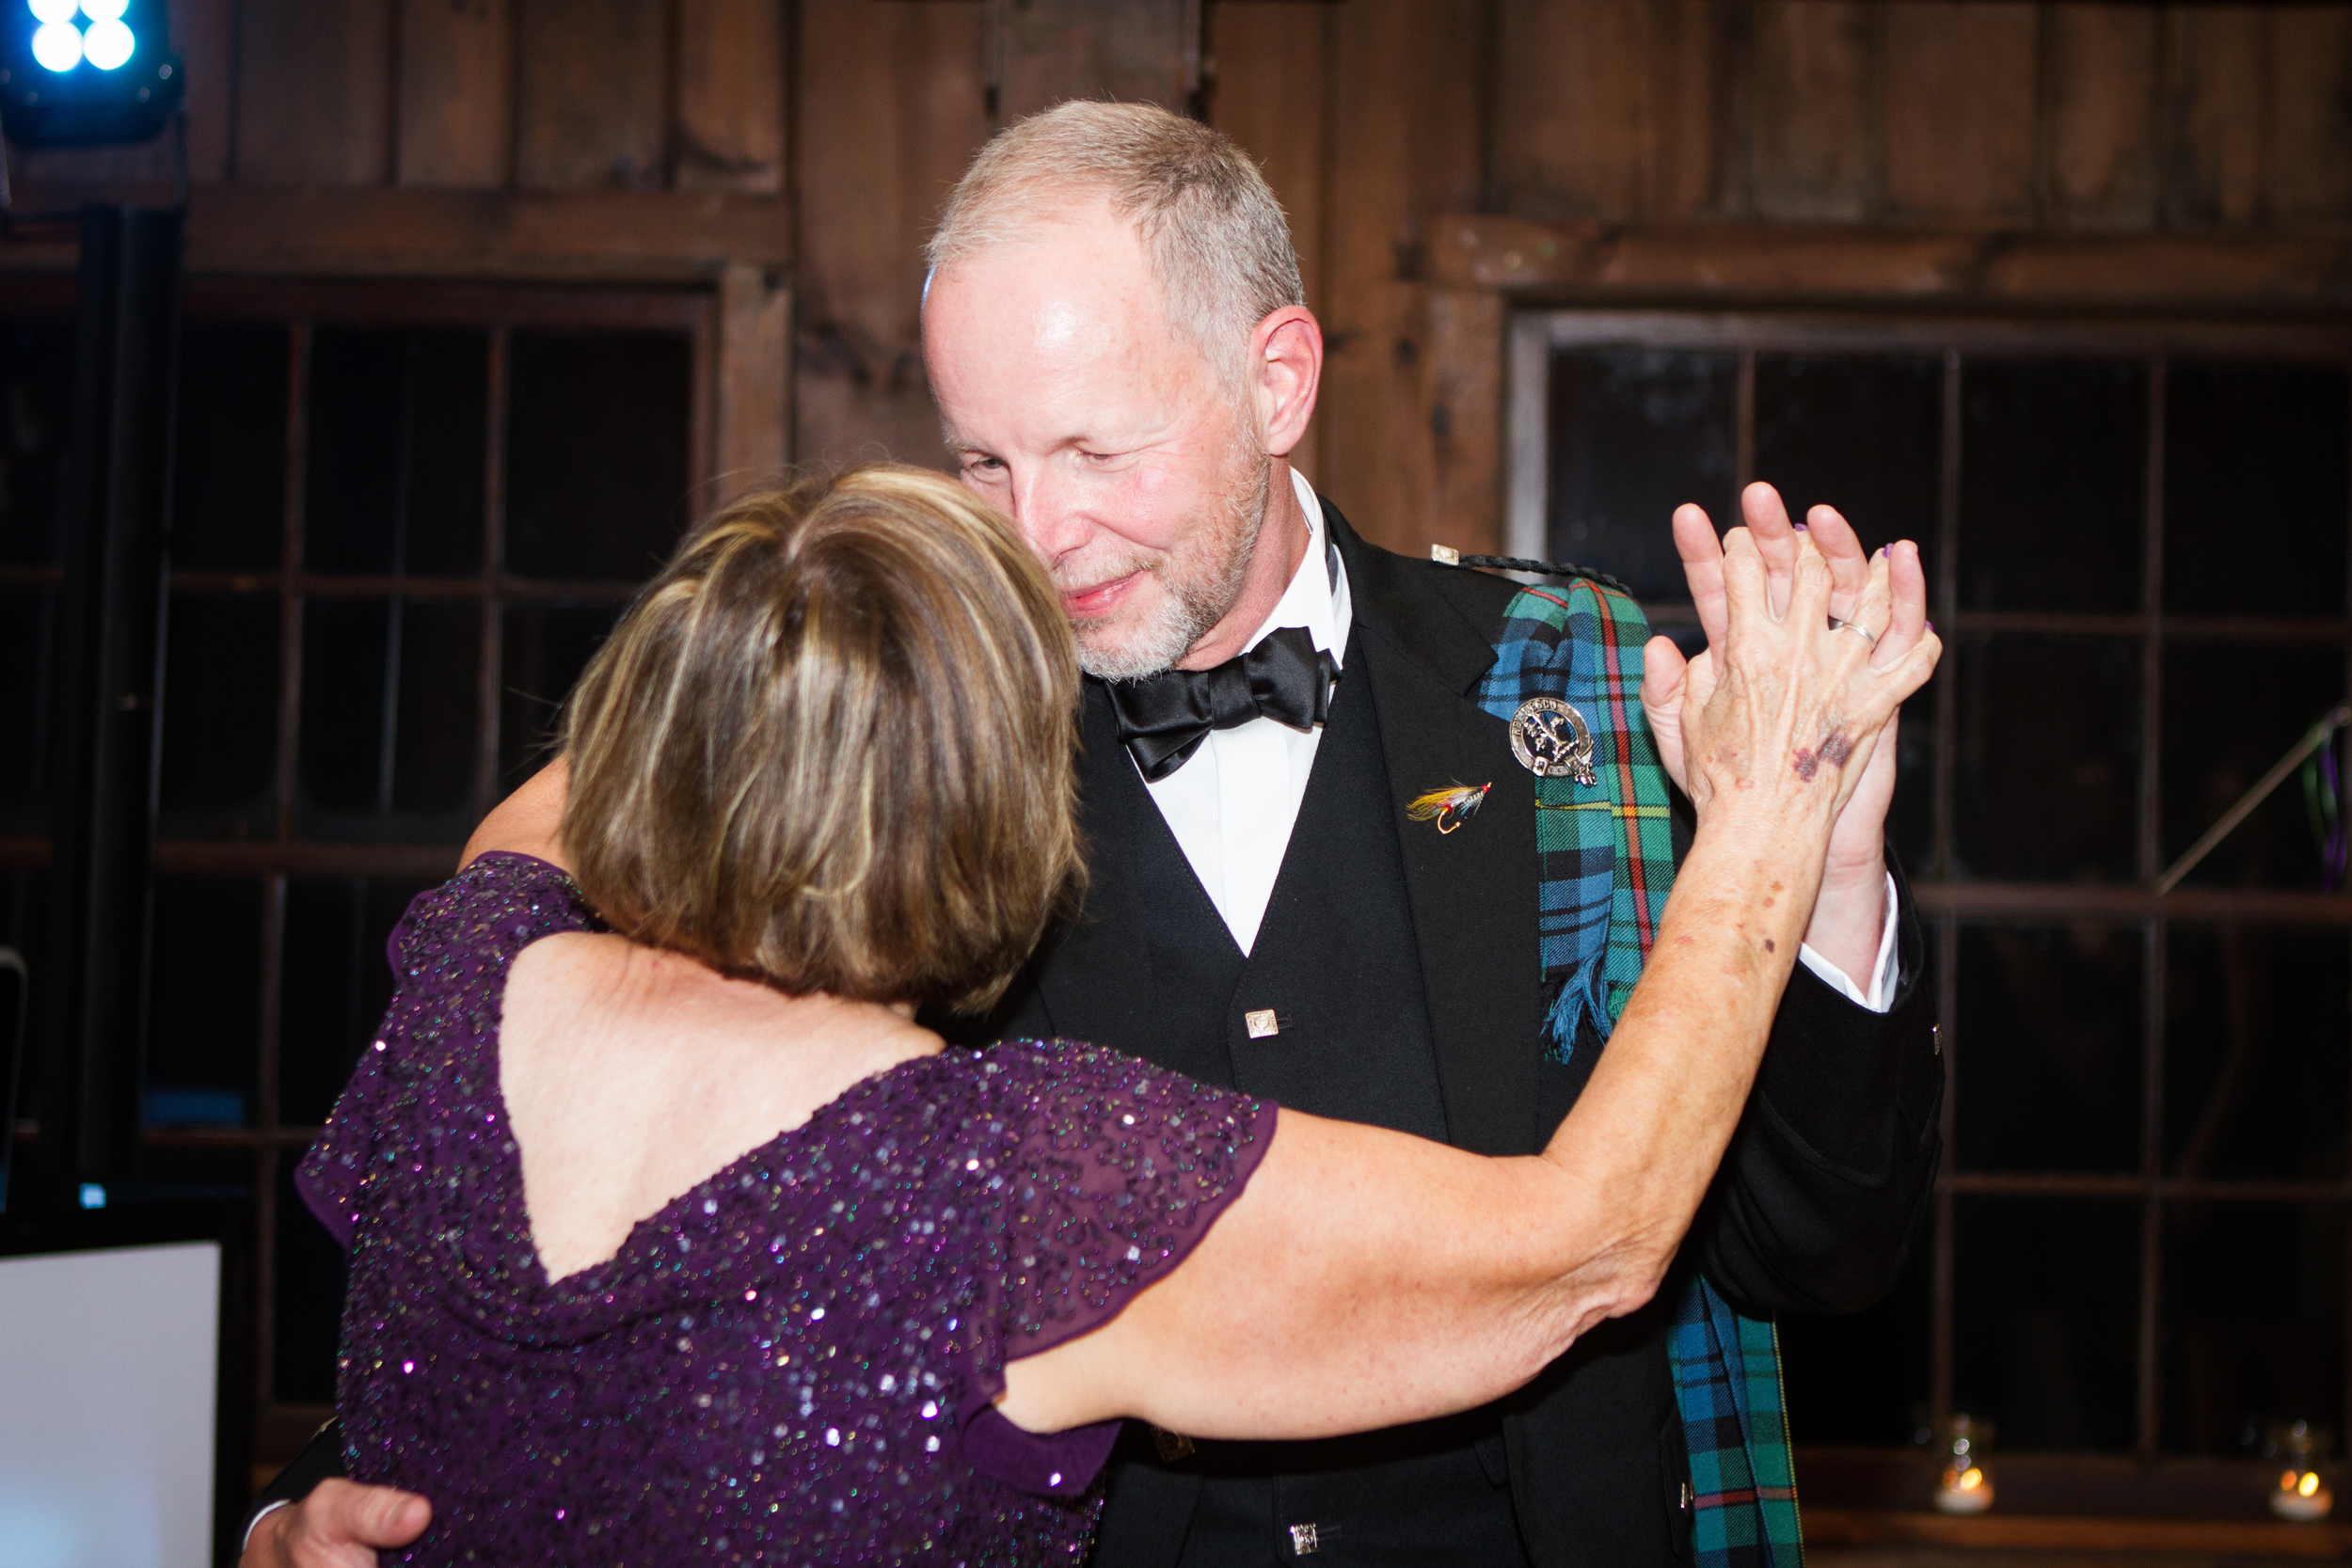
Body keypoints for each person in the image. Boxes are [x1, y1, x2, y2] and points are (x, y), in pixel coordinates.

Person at [247, 103, 1944, 1566]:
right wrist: (328, 1495)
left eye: (1093, 448)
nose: (1038, 534)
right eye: (979, 461)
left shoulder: (1572, 675)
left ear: (1277, 378)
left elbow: (1819, 1252)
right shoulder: (908, 755)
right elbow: (631, 1225)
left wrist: (1829, 863)